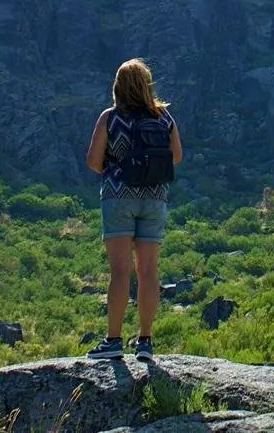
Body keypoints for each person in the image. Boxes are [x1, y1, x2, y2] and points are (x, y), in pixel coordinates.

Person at [83, 58, 182, 360]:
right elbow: (176, 157)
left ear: (118, 86)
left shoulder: (110, 118)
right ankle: (145, 342)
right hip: (154, 199)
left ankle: (113, 341)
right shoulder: (164, 118)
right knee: (149, 271)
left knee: (120, 271)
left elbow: (93, 162)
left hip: (118, 198)